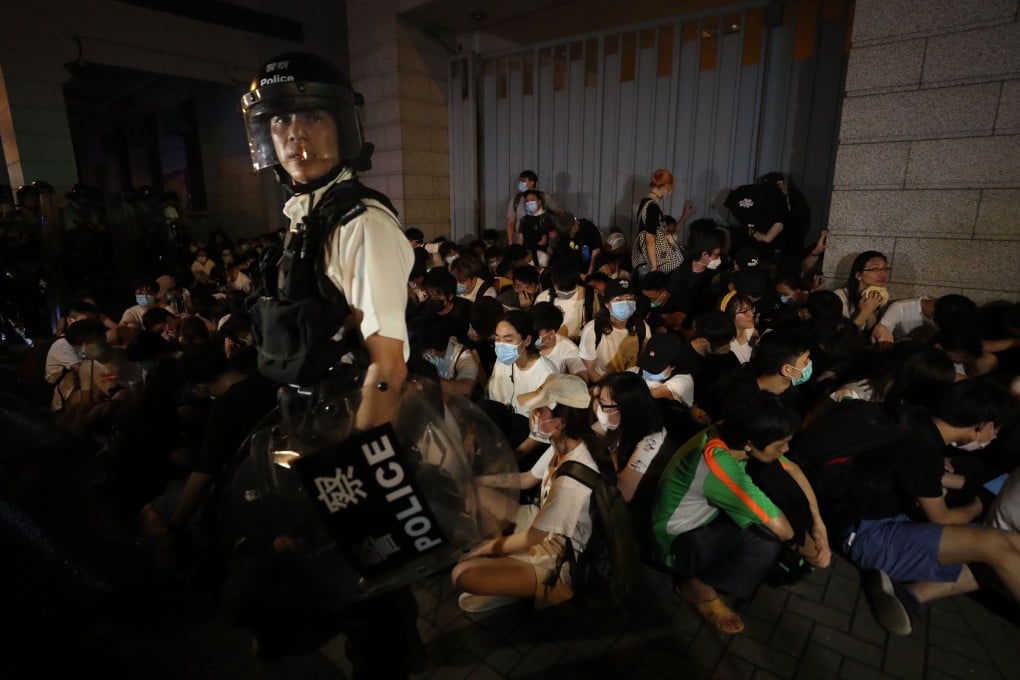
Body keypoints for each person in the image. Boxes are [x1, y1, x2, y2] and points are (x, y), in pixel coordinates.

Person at [231, 52, 422, 674]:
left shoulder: (360, 223)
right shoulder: (303, 215)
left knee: (374, 590)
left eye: (311, 117)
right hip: (310, 424)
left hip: (354, 431)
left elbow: (387, 363)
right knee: (331, 571)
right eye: (281, 122)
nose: (295, 135)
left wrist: (365, 470)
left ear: (343, 126)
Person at [650, 393, 829, 635]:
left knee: (774, 496)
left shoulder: (733, 431)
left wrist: (820, 527)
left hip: (704, 520)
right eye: (780, 444)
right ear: (749, 444)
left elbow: (793, 470)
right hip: (674, 542)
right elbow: (782, 529)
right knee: (767, 538)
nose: (785, 449)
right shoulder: (718, 464)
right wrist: (815, 554)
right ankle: (695, 584)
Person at [453, 373, 609, 613]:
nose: (533, 415)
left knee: (462, 574)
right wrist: (477, 480)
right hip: (540, 524)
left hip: (558, 557)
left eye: (540, 410)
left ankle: (514, 580)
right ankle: (506, 569)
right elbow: (526, 480)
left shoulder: (572, 475)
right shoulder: (564, 443)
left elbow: (531, 539)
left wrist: (482, 549)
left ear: (561, 421)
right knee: (477, 492)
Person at [578, 278, 650, 383]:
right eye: (619, 299)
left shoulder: (642, 327)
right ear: (607, 304)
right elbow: (590, 369)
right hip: (602, 382)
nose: (626, 303)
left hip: (630, 383)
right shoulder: (593, 329)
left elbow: (644, 362)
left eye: (630, 298)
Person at [834, 250, 890, 333]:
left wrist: (871, 310)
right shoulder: (839, 296)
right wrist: (865, 311)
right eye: (875, 269)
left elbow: (871, 333)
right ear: (859, 275)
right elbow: (842, 337)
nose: (882, 273)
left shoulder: (879, 296)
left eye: (885, 268)